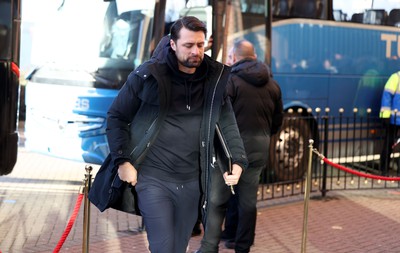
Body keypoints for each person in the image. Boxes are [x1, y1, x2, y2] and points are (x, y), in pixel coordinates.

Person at [106, 16, 248, 253]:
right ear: (173, 44)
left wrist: (238, 160)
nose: (196, 51)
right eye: (188, 45)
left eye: (201, 45)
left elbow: (228, 124)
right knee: (164, 247)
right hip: (153, 179)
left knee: (178, 247)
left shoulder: (213, 81)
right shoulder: (148, 76)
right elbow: (116, 117)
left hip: (193, 182)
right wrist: (123, 162)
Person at [196, 39, 283, 253]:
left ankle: (220, 238)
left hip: (231, 150)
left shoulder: (231, 81)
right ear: (254, 57)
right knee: (247, 198)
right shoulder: (273, 84)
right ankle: (241, 243)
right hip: (259, 148)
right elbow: (277, 121)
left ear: (234, 57)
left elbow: (220, 117)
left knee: (220, 196)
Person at [380, 71, 400, 175]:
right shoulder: (396, 77)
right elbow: (386, 97)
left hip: (395, 117)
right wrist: (385, 116)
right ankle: (384, 169)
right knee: (389, 143)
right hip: (393, 119)